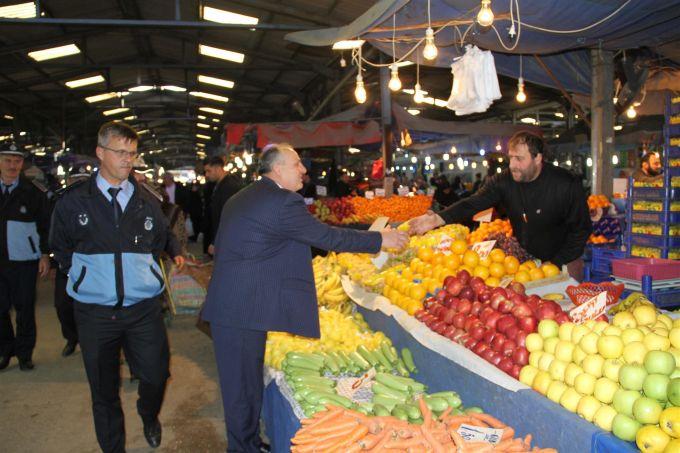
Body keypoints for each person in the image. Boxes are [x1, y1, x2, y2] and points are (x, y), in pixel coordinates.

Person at [201, 143, 408, 452]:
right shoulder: (283, 201)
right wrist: (380, 238)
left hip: (236, 305)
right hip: (241, 310)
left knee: (243, 386)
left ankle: (248, 442)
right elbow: (326, 236)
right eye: (297, 164)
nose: (303, 170)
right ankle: (242, 448)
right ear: (278, 169)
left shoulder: (242, 196)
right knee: (241, 392)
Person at [49, 122, 185, 453]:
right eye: (121, 152)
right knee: (103, 390)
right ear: (100, 153)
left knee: (155, 375)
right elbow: (60, 248)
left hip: (142, 310)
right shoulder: (73, 202)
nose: (128, 160)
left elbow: (162, 237)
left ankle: (148, 414)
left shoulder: (147, 200)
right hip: (95, 313)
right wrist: (88, 281)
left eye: (132, 153)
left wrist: (171, 255)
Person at [408, 131, 591, 280]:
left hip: (565, 261)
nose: (512, 165)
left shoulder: (565, 184)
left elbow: (581, 229)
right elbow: (473, 203)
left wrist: (557, 262)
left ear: (538, 158)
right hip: (529, 263)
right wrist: (438, 219)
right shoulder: (504, 181)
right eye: (511, 158)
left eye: (519, 159)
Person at [0, 145, 50, 371]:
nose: (12, 166)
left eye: (17, 161)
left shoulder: (33, 192)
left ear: (22, 165)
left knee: (25, 308)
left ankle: (24, 353)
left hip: (25, 261)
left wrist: (44, 254)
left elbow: (44, 225)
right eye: (8, 160)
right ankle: (5, 350)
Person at [53, 172, 91, 358]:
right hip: (68, 264)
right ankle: (71, 337)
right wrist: (65, 265)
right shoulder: (61, 202)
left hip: (92, 265)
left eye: (82, 179)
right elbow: (55, 236)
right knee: (63, 305)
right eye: (74, 179)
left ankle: (91, 343)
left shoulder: (97, 203)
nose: (78, 184)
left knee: (92, 309)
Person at [203, 155, 242, 256]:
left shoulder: (228, 187)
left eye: (209, 171)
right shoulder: (219, 185)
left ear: (217, 168)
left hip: (228, 241)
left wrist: (215, 242)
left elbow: (226, 217)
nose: (206, 174)